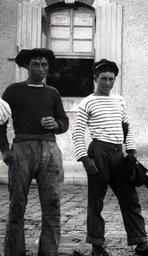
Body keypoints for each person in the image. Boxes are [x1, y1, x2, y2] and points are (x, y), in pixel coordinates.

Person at [72, 59, 148, 256]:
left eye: (111, 79)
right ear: (95, 78)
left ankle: (141, 244)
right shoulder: (87, 102)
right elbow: (78, 132)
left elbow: (127, 128)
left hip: (118, 154)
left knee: (131, 199)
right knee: (96, 201)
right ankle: (97, 246)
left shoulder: (119, 100)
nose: (107, 83)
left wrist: (131, 153)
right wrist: (84, 159)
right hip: (98, 152)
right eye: (103, 79)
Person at [0, 48, 69, 256]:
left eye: (44, 65)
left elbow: (64, 122)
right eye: (36, 64)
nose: (41, 69)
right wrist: (4, 149)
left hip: (49, 150)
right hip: (22, 148)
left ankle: (48, 252)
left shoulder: (53, 93)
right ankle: (14, 252)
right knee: (17, 204)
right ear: (27, 67)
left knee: (53, 204)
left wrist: (55, 124)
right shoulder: (13, 90)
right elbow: (1, 122)